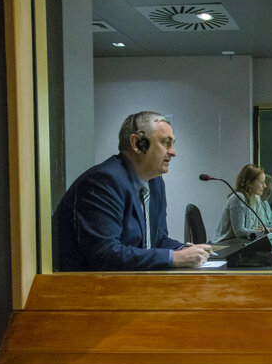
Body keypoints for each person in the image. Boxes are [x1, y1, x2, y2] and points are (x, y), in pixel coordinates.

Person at [54, 111, 211, 270]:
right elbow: (105, 253)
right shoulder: (102, 181)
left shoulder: (155, 182)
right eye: (165, 142)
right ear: (136, 143)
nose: (173, 152)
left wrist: (184, 249)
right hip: (86, 288)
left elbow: (158, 240)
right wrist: (174, 257)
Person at [212, 164, 272, 242]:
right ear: (249, 183)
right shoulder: (238, 198)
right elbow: (239, 231)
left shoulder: (256, 199)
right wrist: (264, 231)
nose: (265, 186)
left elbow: (251, 228)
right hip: (225, 245)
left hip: (241, 243)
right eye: (262, 182)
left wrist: (265, 230)